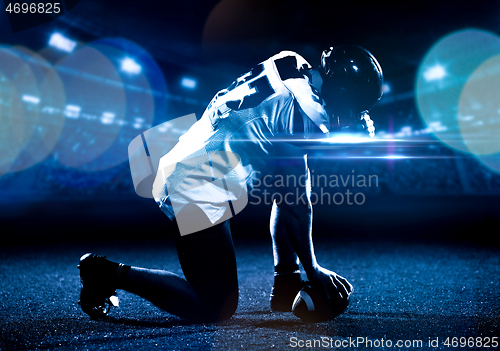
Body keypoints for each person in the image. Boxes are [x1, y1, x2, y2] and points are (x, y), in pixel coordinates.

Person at [78, 45, 383, 322]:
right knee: (215, 306)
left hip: (192, 159)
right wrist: (313, 270)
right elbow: (296, 206)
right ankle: (104, 273)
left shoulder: (291, 60)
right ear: (341, 92)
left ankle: (286, 282)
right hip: (195, 181)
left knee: (287, 188)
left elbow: (287, 186)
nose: (351, 117)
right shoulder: (305, 117)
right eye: (353, 109)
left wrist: (293, 275)